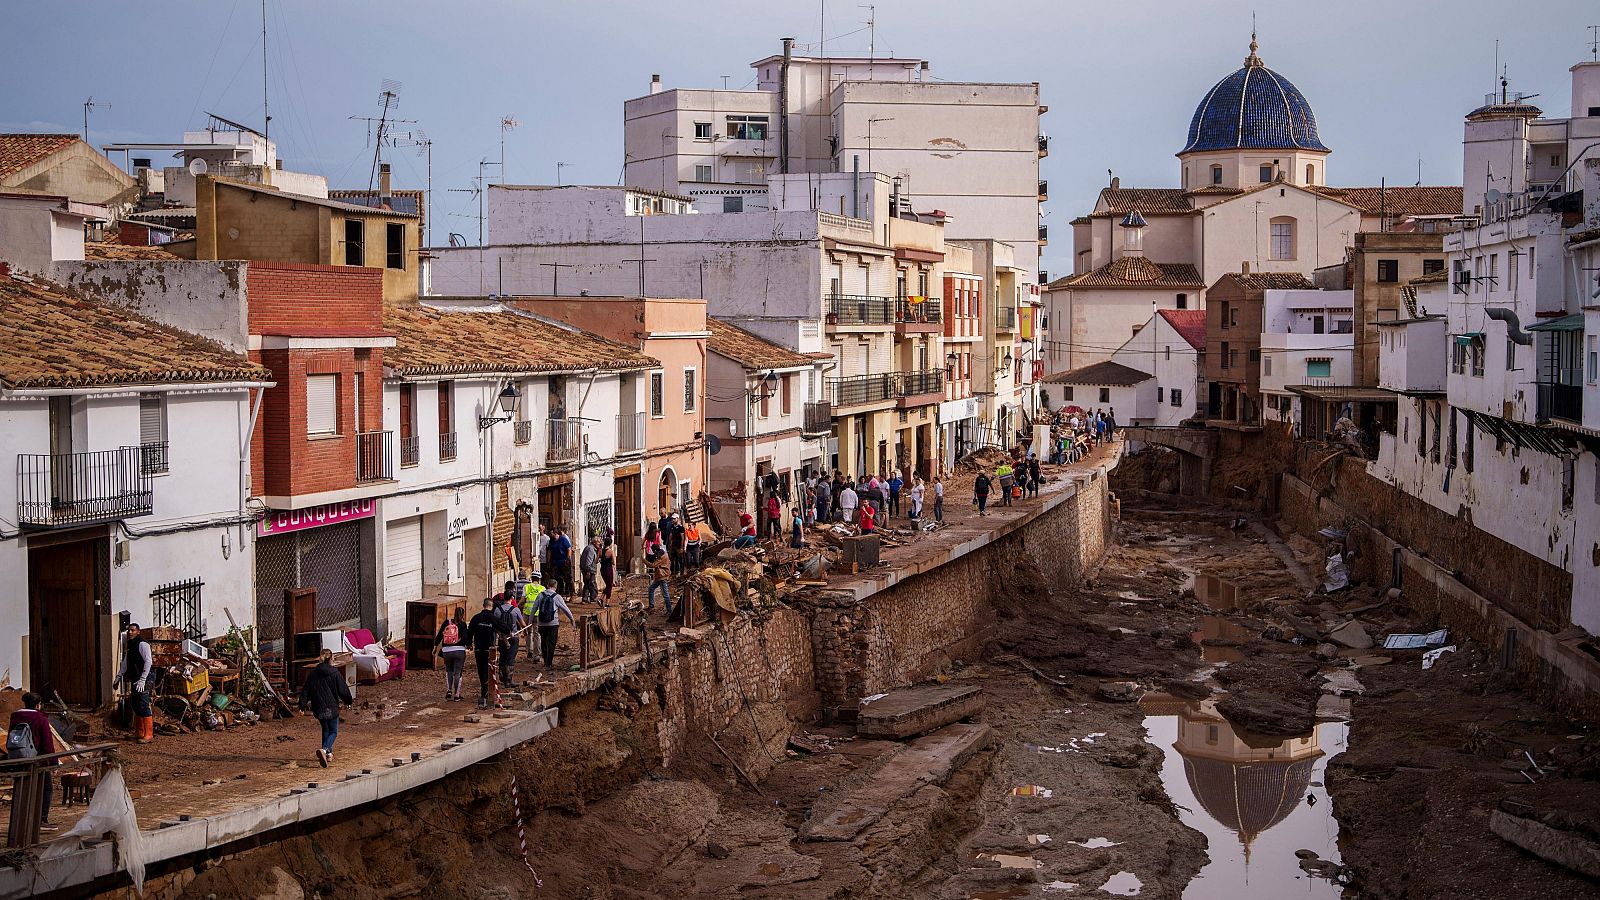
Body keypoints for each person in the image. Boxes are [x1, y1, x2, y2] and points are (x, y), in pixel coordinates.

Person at [6, 692, 58, 832]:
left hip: (19, 758)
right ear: (37, 704)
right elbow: (47, 743)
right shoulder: (40, 719)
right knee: (46, 788)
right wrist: (53, 762)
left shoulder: (15, 717)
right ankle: (41, 819)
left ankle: (19, 821)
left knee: (22, 788)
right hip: (37, 760)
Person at [299, 649, 354, 767]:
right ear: (331, 659)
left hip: (318, 707)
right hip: (332, 706)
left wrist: (302, 706)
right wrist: (348, 701)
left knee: (325, 729)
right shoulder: (335, 673)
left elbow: (306, 690)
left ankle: (328, 754)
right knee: (333, 731)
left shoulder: (313, 673)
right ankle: (324, 750)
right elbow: (343, 690)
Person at [528, 578, 577, 671]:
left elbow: (534, 609)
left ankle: (545, 660)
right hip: (553, 623)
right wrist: (572, 620)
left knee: (543, 641)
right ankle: (548, 663)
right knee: (551, 643)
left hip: (541, 623)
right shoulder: (557, 597)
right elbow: (565, 609)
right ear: (556, 586)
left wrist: (530, 622)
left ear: (547, 585)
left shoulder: (540, 595)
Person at [117, 622, 154, 745]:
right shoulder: (131, 645)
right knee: (135, 704)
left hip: (145, 677)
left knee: (144, 703)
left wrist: (143, 678)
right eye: (129, 630)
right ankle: (139, 731)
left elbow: (148, 661)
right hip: (135, 677)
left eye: (133, 630)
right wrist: (118, 676)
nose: (130, 632)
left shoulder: (142, 644)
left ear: (138, 631)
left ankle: (149, 734)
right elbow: (125, 662)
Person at [467, 597, 503, 709]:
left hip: (478, 649)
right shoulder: (493, 618)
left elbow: (469, 633)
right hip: (490, 650)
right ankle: (486, 693)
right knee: (489, 672)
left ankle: (485, 692)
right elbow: (505, 628)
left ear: (483, 605)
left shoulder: (476, 618)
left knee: (481, 670)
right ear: (491, 606)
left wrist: (469, 644)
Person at [495, 586, 527, 689]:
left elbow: (495, 624)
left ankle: (501, 674)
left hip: (501, 637)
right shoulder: (516, 610)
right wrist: (525, 631)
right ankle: (508, 680)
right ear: (512, 598)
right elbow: (522, 623)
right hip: (513, 636)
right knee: (511, 658)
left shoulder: (497, 610)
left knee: (503, 656)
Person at [434, 606, 469, 701]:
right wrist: (469, 645)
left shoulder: (447, 622)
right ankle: (457, 694)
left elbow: (439, 636)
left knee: (449, 670)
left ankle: (449, 690)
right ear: (463, 615)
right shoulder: (463, 625)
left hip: (446, 651)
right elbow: (466, 638)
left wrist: (435, 647)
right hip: (459, 651)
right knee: (457, 673)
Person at [644, 525, 673, 615]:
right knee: (651, 589)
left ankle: (669, 610)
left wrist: (644, 561)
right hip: (660, 576)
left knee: (665, 594)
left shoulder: (661, 557)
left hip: (662, 576)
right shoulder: (662, 553)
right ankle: (651, 606)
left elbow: (653, 565)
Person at [548, 526, 574, 596]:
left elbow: (569, 549)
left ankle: (570, 593)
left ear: (555, 533)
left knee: (567, 578)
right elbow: (550, 551)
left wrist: (568, 559)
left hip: (564, 561)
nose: (550, 535)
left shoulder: (563, 539)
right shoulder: (551, 541)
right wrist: (549, 560)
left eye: (552, 533)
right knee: (557, 578)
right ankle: (559, 592)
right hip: (555, 562)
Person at [580, 535, 601, 604]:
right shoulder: (591, 549)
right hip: (589, 569)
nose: (599, 544)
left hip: (586, 569)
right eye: (598, 542)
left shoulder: (590, 548)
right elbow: (588, 562)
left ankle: (585, 598)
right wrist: (588, 571)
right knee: (592, 584)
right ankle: (593, 598)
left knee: (587, 584)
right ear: (594, 542)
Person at [600, 528, 618, 602]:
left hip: (602, 569)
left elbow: (596, 561)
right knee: (609, 585)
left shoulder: (600, 551)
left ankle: (601, 598)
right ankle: (607, 602)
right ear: (610, 544)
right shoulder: (611, 552)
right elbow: (614, 563)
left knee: (608, 584)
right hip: (608, 569)